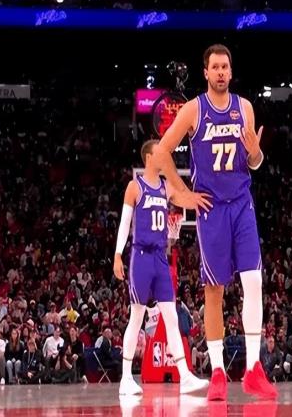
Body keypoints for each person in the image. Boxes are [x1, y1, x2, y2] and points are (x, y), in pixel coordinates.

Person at [152, 43, 277, 401]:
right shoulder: (194, 109)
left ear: (231, 72)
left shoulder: (245, 107)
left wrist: (256, 153)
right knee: (214, 289)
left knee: (253, 281)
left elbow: (254, 162)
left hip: (241, 203)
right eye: (215, 67)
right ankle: (219, 371)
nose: (221, 72)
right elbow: (161, 151)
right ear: (205, 72)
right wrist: (181, 193)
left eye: (225, 67)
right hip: (211, 208)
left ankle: (254, 369)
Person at [113, 139, 210, 396]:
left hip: (160, 258)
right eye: (160, 153)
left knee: (172, 318)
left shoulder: (166, 187)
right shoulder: (135, 187)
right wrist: (117, 255)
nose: (164, 156)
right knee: (136, 317)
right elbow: (124, 224)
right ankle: (125, 378)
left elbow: (185, 199)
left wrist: (200, 198)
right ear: (149, 157)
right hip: (141, 256)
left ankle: (185, 376)